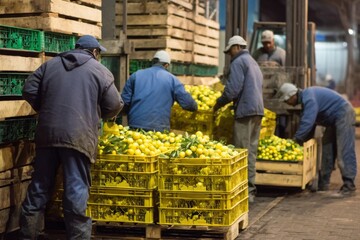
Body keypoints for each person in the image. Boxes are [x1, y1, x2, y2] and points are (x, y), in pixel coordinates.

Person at [20, 35, 124, 239]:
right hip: (78, 136)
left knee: (40, 185)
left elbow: (29, 89)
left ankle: (28, 234)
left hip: (47, 134)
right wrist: (95, 112)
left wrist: (47, 107)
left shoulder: (49, 66)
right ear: (94, 52)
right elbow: (114, 105)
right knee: (76, 187)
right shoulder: (99, 71)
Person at [277, 83, 357, 196]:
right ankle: (323, 183)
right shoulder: (306, 99)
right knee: (327, 150)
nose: (287, 103)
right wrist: (303, 141)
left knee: (344, 150)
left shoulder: (309, 97)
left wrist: (296, 140)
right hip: (332, 120)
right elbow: (311, 123)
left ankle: (349, 185)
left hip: (344, 114)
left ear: (292, 96)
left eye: (286, 101)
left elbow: (308, 122)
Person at [214, 35, 264, 203]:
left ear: (236, 47)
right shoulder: (253, 62)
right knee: (251, 152)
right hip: (258, 111)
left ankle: (243, 191)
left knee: (241, 152)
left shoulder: (238, 62)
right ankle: (250, 190)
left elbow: (232, 89)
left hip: (245, 111)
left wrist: (218, 104)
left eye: (230, 52)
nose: (230, 55)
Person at [121, 50, 198, 132]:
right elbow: (189, 104)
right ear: (166, 65)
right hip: (159, 128)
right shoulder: (172, 80)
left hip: (135, 126)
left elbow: (125, 102)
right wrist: (195, 107)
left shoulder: (136, 75)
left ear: (153, 62)